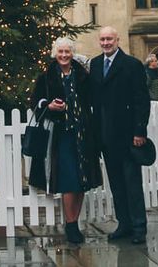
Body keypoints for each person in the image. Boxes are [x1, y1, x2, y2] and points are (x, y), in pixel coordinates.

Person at [28, 37, 101, 244]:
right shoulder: (47, 76)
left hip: (83, 133)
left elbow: (91, 100)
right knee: (70, 180)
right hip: (62, 134)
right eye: (60, 52)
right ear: (55, 53)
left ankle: (74, 220)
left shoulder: (82, 75)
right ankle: (71, 225)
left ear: (72, 53)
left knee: (82, 180)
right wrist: (49, 107)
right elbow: (35, 101)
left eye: (67, 51)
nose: (63, 55)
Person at [89, 26, 150, 244]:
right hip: (105, 135)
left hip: (127, 135)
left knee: (132, 183)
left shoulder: (132, 65)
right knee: (116, 184)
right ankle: (124, 224)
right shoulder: (95, 64)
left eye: (110, 39)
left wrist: (139, 130)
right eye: (103, 39)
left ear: (118, 40)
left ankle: (139, 227)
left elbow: (141, 100)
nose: (106, 43)